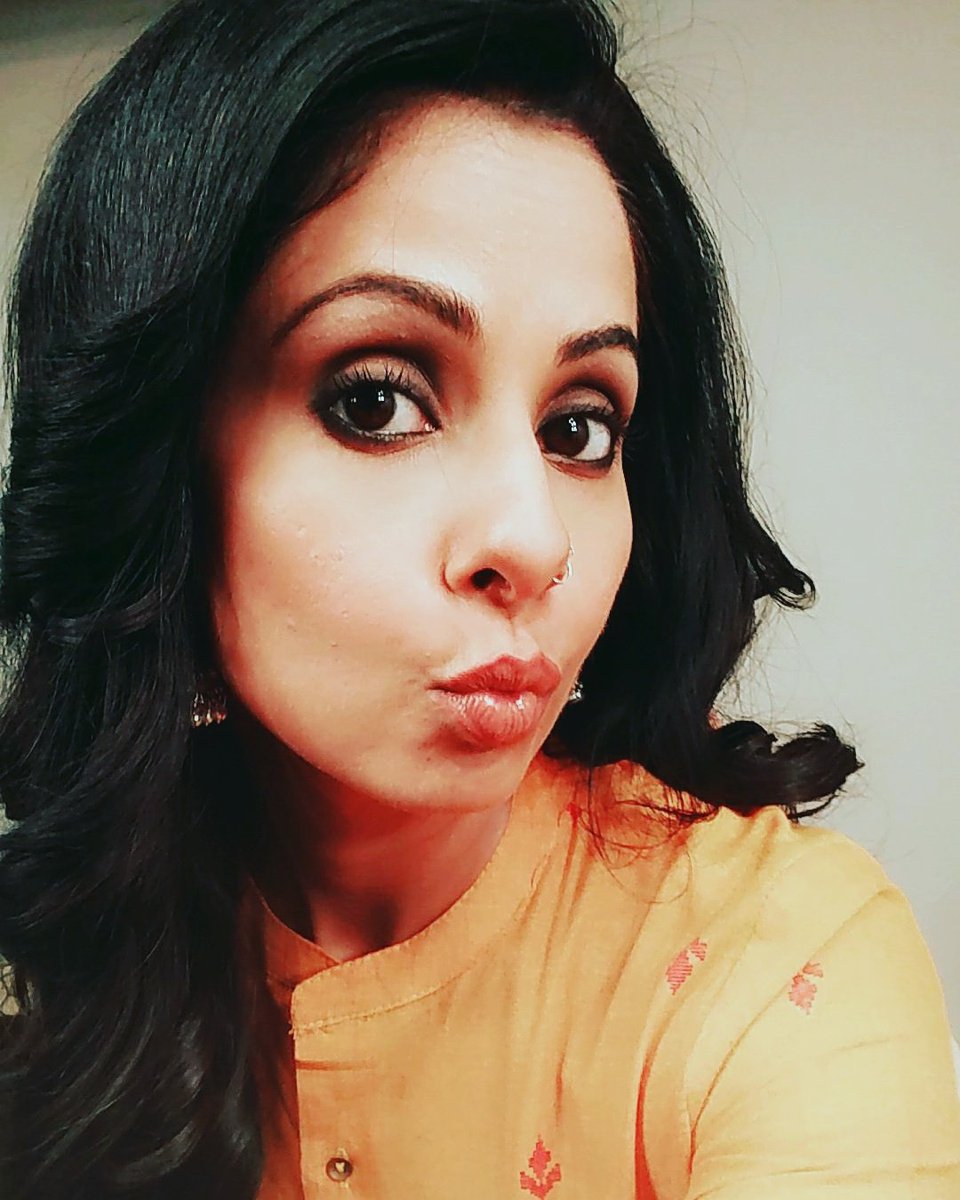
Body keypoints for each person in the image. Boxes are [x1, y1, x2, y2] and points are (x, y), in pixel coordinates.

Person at [0, 0, 957, 1196]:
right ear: (155, 465)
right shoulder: (79, 936)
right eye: (377, 400)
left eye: (579, 428)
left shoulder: (775, 958)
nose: (534, 539)